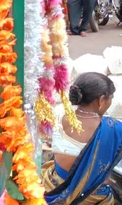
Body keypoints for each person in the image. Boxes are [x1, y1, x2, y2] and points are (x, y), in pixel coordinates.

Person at [43, 72, 121, 204]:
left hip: (52, 185)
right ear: (101, 100)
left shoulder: (59, 114)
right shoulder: (113, 128)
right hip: (90, 198)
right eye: (111, 98)